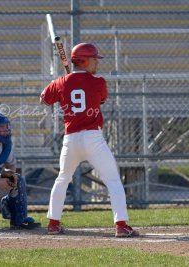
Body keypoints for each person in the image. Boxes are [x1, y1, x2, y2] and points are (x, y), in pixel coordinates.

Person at [40, 43, 139, 238]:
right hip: (93, 139)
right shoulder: (99, 82)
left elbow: (44, 99)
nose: (97, 63)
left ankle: (53, 223)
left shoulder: (61, 82)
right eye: (94, 59)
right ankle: (121, 224)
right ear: (84, 61)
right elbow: (100, 100)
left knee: (62, 179)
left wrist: (60, 84)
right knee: (112, 180)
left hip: (70, 140)